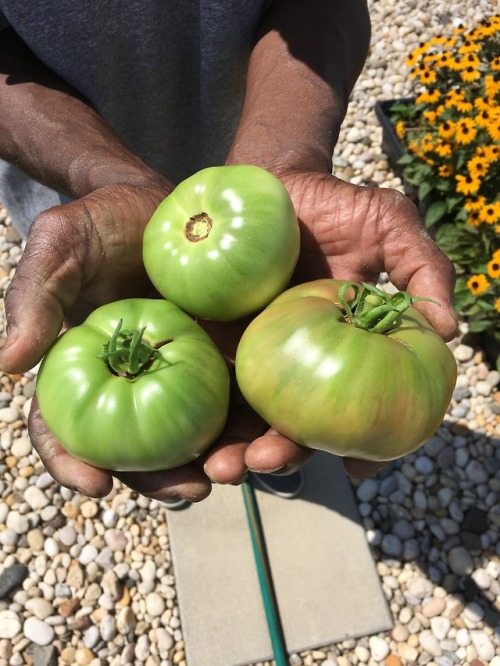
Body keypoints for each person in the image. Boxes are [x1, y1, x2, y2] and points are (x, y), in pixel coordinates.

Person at [0, 0, 457, 505]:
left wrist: (286, 159)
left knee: (252, 446)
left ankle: (220, 444)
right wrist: (112, 180)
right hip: (74, 180)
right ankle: (162, 451)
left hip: (260, 121)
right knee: (180, 453)